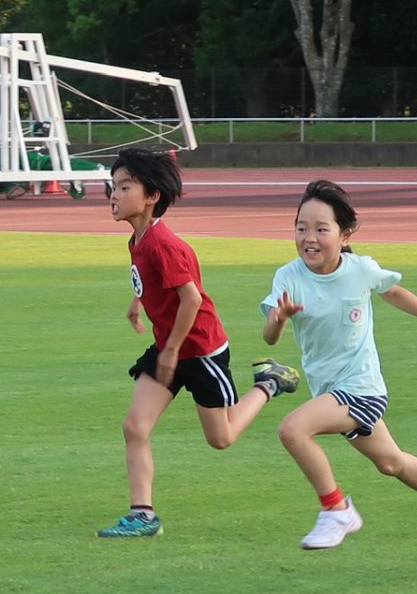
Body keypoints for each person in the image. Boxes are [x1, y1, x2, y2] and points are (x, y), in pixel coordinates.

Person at [259, 180, 417, 554]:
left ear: (345, 235)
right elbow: (269, 337)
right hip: (330, 391)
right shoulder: (289, 276)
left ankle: (337, 510)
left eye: (321, 229)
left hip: (362, 388)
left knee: (293, 430)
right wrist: (278, 319)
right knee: (391, 463)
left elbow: (392, 290)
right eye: (301, 228)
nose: (309, 238)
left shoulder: (360, 270)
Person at [96, 148, 299, 539]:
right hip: (169, 347)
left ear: (152, 196)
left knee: (221, 438)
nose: (114, 195)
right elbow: (153, 281)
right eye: (113, 186)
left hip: (201, 351)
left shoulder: (164, 244)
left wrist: (172, 350)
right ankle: (143, 516)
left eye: (124, 187)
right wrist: (138, 302)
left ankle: (270, 382)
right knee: (135, 427)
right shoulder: (139, 239)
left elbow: (190, 299)